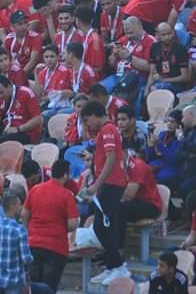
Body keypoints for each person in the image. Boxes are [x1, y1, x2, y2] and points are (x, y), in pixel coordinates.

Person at [83, 100, 131, 285]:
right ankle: (112, 266)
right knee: (107, 226)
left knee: (101, 227)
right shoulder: (106, 130)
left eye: (87, 120)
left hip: (112, 184)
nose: (88, 124)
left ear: (95, 115)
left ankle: (119, 267)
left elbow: (111, 159)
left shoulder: (108, 130)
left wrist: (96, 185)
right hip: (110, 184)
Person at [22, 158, 79, 291]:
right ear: (66, 175)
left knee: (33, 287)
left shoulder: (35, 189)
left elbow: (24, 214)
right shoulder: (67, 195)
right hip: (56, 247)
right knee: (48, 287)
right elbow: (72, 224)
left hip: (33, 244)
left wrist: (29, 231)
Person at [0, 193, 33, 294]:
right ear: (12, 206)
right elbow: (26, 258)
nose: (21, 207)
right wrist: (32, 259)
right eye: (19, 204)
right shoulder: (20, 230)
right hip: (14, 280)